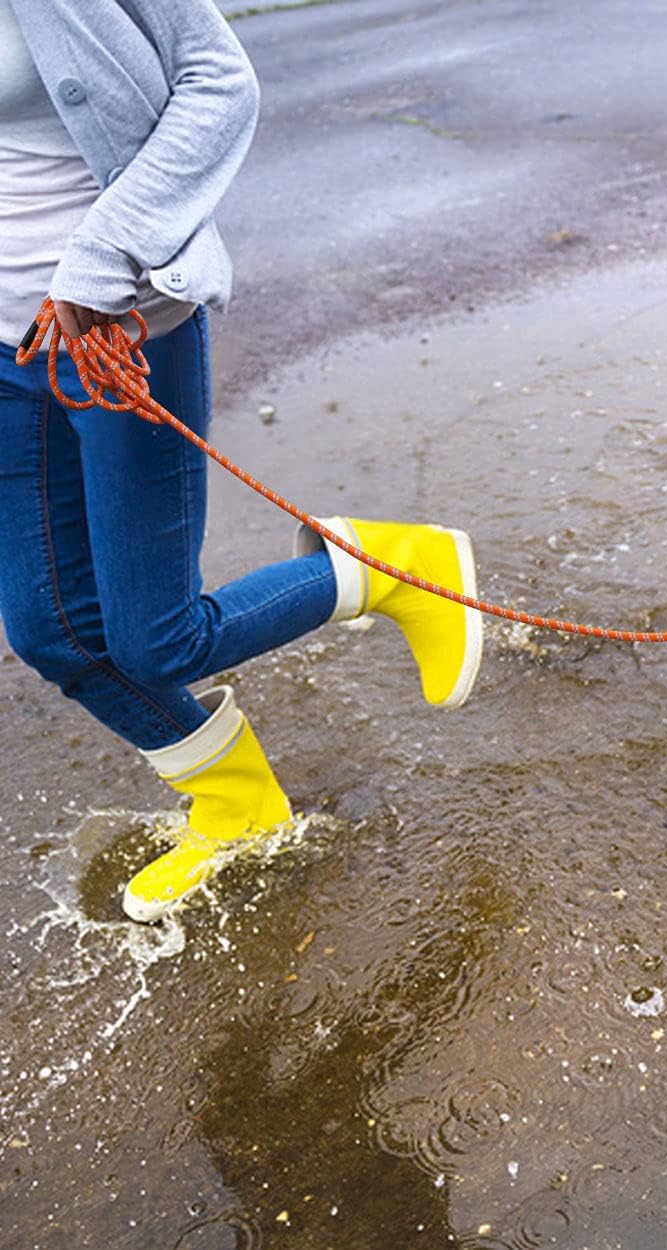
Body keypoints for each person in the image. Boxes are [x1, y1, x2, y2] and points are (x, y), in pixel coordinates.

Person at [0, 0, 482, 923]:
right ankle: (237, 802)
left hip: (121, 324)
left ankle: (392, 567)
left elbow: (219, 81)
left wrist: (102, 261)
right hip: (5, 358)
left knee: (155, 637)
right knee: (50, 629)